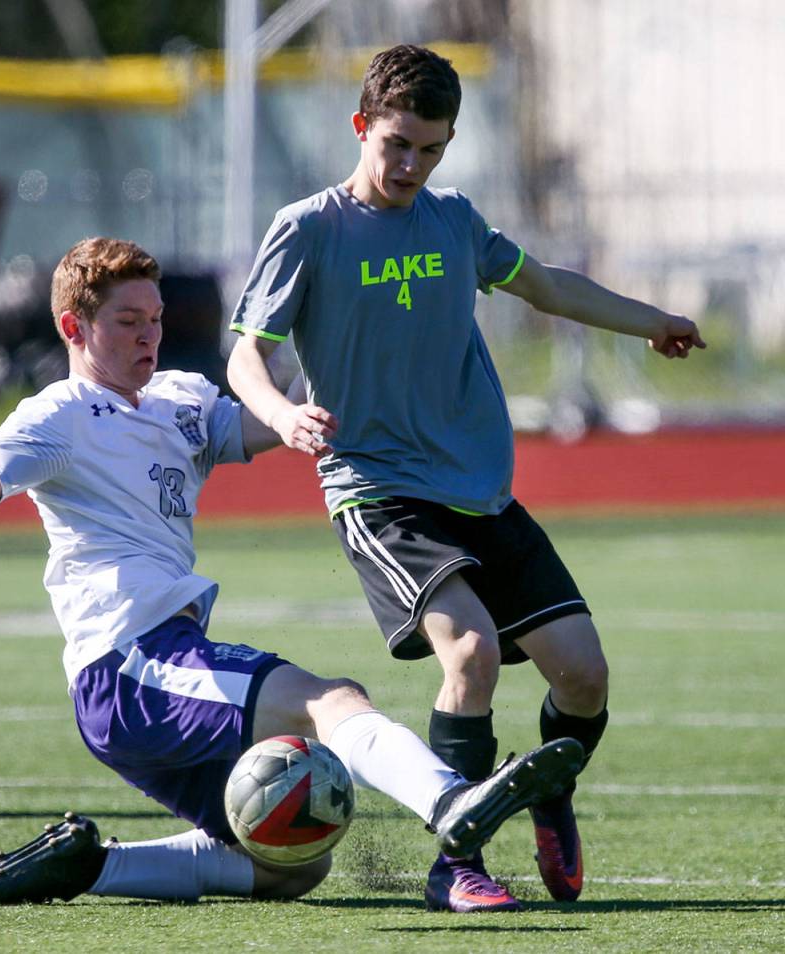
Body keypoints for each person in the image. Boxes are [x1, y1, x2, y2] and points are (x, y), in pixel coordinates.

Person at [0, 236, 583, 910]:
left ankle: (88, 866)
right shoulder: (57, 416)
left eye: (156, 319)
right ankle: (451, 802)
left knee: (293, 863)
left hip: (152, 676)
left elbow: (272, 421)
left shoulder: (178, 399)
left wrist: (346, 335)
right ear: (74, 326)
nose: (148, 336)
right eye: (127, 321)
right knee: (331, 699)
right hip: (128, 662)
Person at [226, 45, 706, 913]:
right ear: (361, 126)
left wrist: (652, 322)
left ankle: (547, 787)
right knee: (472, 652)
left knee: (584, 677)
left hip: (480, 488)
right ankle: (458, 862)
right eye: (397, 145)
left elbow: (547, 287)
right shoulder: (308, 227)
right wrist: (282, 413)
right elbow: (245, 357)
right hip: (378, 489)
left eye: (430, 149)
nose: (411, 165)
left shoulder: (453, 221)